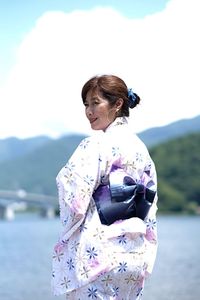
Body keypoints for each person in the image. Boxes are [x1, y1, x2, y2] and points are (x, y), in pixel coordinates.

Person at [52, 74, 158, 299]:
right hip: (133, 256)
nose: (89, 111)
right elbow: (151, 205)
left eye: (95, 103)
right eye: (86, 105)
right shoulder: (141, 150)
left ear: (118, 104)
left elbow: (75, 202)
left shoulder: (96, 144)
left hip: (99, 257)